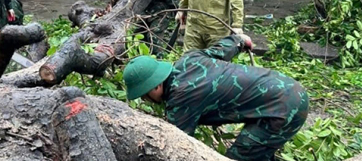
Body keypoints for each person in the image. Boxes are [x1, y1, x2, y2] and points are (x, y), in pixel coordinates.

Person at [123, 35, 309, 161]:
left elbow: (175, 144)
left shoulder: (181, 99)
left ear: (155, 85)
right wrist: (239, 40)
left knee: (236, 157)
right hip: (288, 88)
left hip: (284, 107)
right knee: (257, 151)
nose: (146, 101)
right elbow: (221, 49)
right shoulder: (188, 59)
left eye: (144, 96)